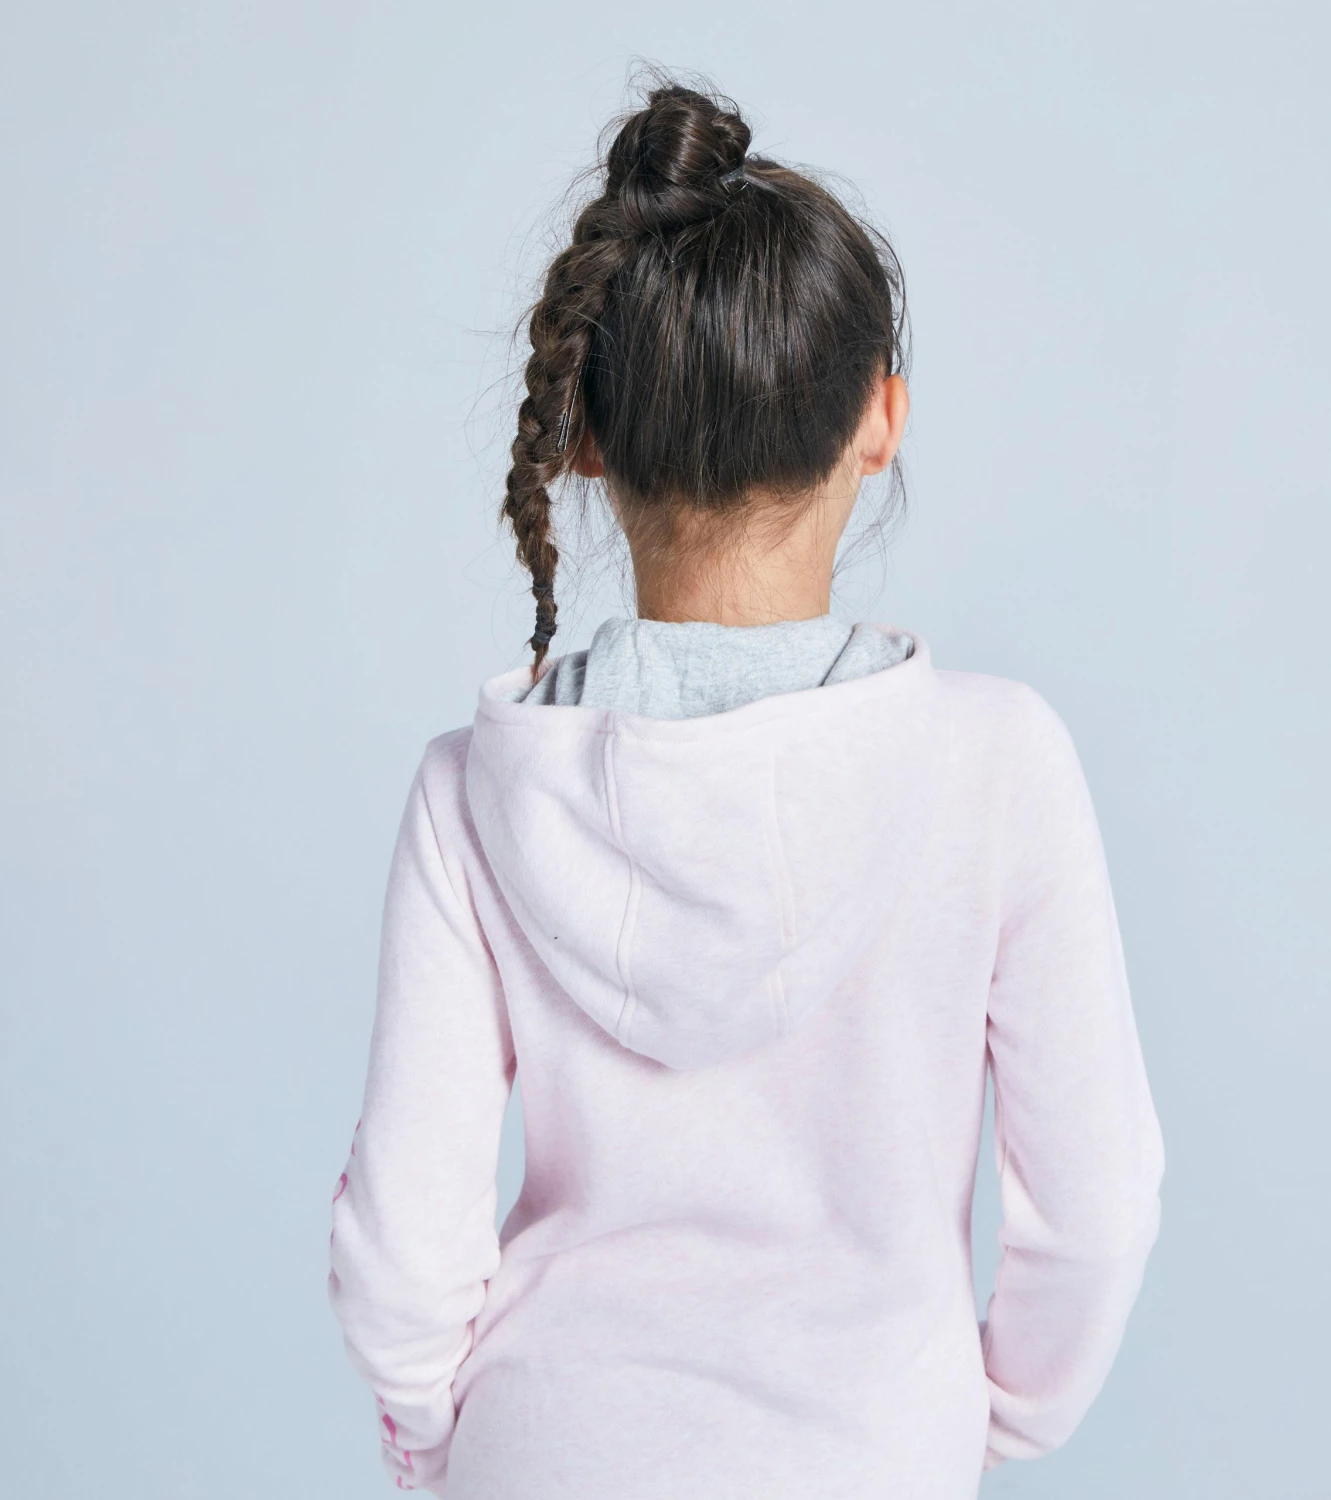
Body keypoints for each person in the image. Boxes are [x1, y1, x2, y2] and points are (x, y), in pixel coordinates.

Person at [327, 77, 1164, 1500]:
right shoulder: (999, 765)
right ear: (881, 418)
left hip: (544, 1451)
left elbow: (407, 1243)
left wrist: (436, 1446)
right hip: (877, 1452)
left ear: (583, 435)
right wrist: (972, 1426)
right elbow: (1097, 1206)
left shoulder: (474, 791)